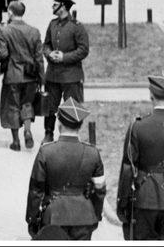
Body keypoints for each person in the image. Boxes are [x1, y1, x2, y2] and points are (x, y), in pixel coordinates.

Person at [116, 72, 164, 240]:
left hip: (144, 198)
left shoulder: (137, 127)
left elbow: (128, 170)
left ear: (151, 95)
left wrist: (123, 205)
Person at [26, 98, 105, 240]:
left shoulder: (46, 151)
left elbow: (36, 190)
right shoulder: (93, 153)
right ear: (80, 125)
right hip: (84, 217)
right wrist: (95, 214)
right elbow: (99, 190)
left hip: (53, 217)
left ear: (59, 124)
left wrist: (32, 219)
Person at [0, 0, 44, 149]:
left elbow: (2, 54)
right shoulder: (34, 31)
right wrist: (42, 78)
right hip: (30, 75)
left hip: (13, 74)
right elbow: (39, 58)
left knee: (12, 106)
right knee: (27, 104)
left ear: (10, 13)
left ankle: (16, 141)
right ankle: (28, 131)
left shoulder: (5, 31)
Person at [42, 0, 89, 142]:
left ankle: (71, 136)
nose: (52, 7)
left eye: (55, 5)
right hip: (53, 75)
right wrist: (49, 54)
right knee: (50, 106)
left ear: (63, 7)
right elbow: (46, 44)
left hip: (71, 76)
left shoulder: (77, 27)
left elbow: (83, 50)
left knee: (72, 107)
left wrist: (64, 57)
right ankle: (48, 133)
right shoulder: (52, 24)